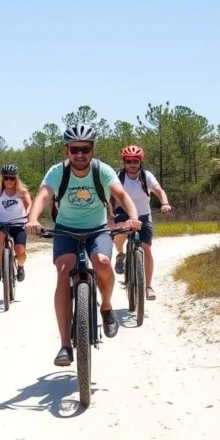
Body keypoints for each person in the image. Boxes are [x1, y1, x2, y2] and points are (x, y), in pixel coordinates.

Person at [26, 124, 142, 367]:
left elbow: (121, 195)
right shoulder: (58, 172)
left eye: (85, 149)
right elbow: (43, 195)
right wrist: (33, 219)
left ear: (92, 149)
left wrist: (133, 217)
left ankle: (107, 307)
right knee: (64, 269)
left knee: (102, 262)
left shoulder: (102, 170)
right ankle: (65, 345)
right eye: (74, 149)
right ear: (66, 150)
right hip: (66, 229)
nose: (80, 155)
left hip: (97, 228)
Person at [111, 145, 172, 301]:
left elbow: (159, 190)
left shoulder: (146, 176)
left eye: (135, 161)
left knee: (147, 248)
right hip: (122, 213)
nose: (132, 164)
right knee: (121, 231)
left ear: (140, 162)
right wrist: (109, 213)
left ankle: (148, 286)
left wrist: (164, 203)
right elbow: (109, 195)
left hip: (144, 215)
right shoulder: (117, 176)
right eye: (129, 161)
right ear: (124, 162)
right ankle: (120, 254)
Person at [0, 164, 32, 282]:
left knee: (20, 251)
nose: (9, 181)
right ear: (2, 178)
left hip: (19, 223)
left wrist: (29, 215)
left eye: (12, 178)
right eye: (6, 178)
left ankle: (20, 267)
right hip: (1, 222)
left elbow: (30, 204)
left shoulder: (22, 191)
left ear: (16, 178)